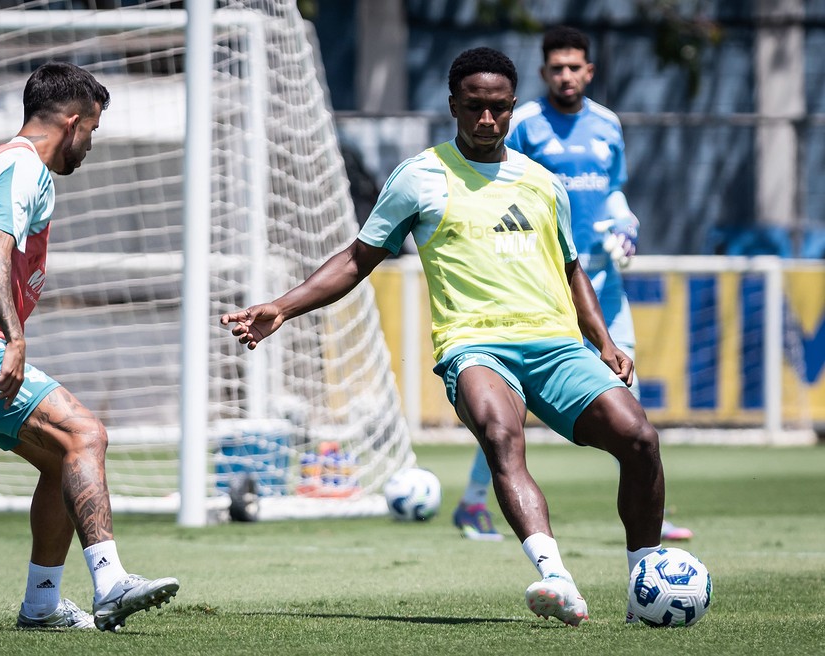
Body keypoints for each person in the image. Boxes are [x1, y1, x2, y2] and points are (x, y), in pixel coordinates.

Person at [222, 47, 665, 626]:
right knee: (501, 435)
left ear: (513, 107)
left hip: (556, 346)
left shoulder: (542, 183)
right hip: (474, 345)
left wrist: (602, 341)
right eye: (474, 107)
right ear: (454, 105)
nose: (487, 120)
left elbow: (570, 266)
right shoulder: (419, 177)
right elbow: (357, 258)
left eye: (499, 108)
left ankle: (645, 581)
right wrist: (283, 307)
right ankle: (555, 577)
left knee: (639, 439)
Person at [0, 61, 179, 632]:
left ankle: (42, 605)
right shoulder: (22, 165)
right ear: (73, 121)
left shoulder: (5, 163)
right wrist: (14, 338)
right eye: (93, 130)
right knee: (86, 434)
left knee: (63, 461)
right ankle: (111, 581)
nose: (91, 145)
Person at [453, 26, 694, 544]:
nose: (566, 76)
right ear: (544, 73)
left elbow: (613, 192)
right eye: (556, 68)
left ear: (589, 71)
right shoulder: (522, 123)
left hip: (602, 286)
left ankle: (651, 509)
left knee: (626, 396)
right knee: (504, 411)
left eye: (574, 67)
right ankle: (473, 501)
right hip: (544, 288)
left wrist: (625, 223)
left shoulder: (608, 124)